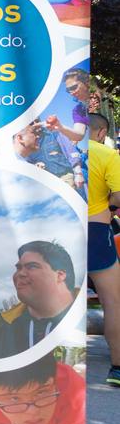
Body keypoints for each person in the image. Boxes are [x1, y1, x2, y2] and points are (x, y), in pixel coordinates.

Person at [0, 241, 79, 360]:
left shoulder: (84, 321)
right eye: (18, 268)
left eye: (32, 266)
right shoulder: (4, 335)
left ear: (60, 275)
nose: (20, 274)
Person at [84, 113, 120, 386]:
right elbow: (119, 196)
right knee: (113, 302)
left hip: (59, 228)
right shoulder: (107, 154)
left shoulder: (63, 147)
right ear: (101, 132)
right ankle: (117, 368)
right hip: (96, 230)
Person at [45, 69, 90, 146]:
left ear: (87, 82)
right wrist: (60, 127)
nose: (72, 93)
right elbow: (79, 135)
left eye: (74, 87)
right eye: (68, 90)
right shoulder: (78, 110)